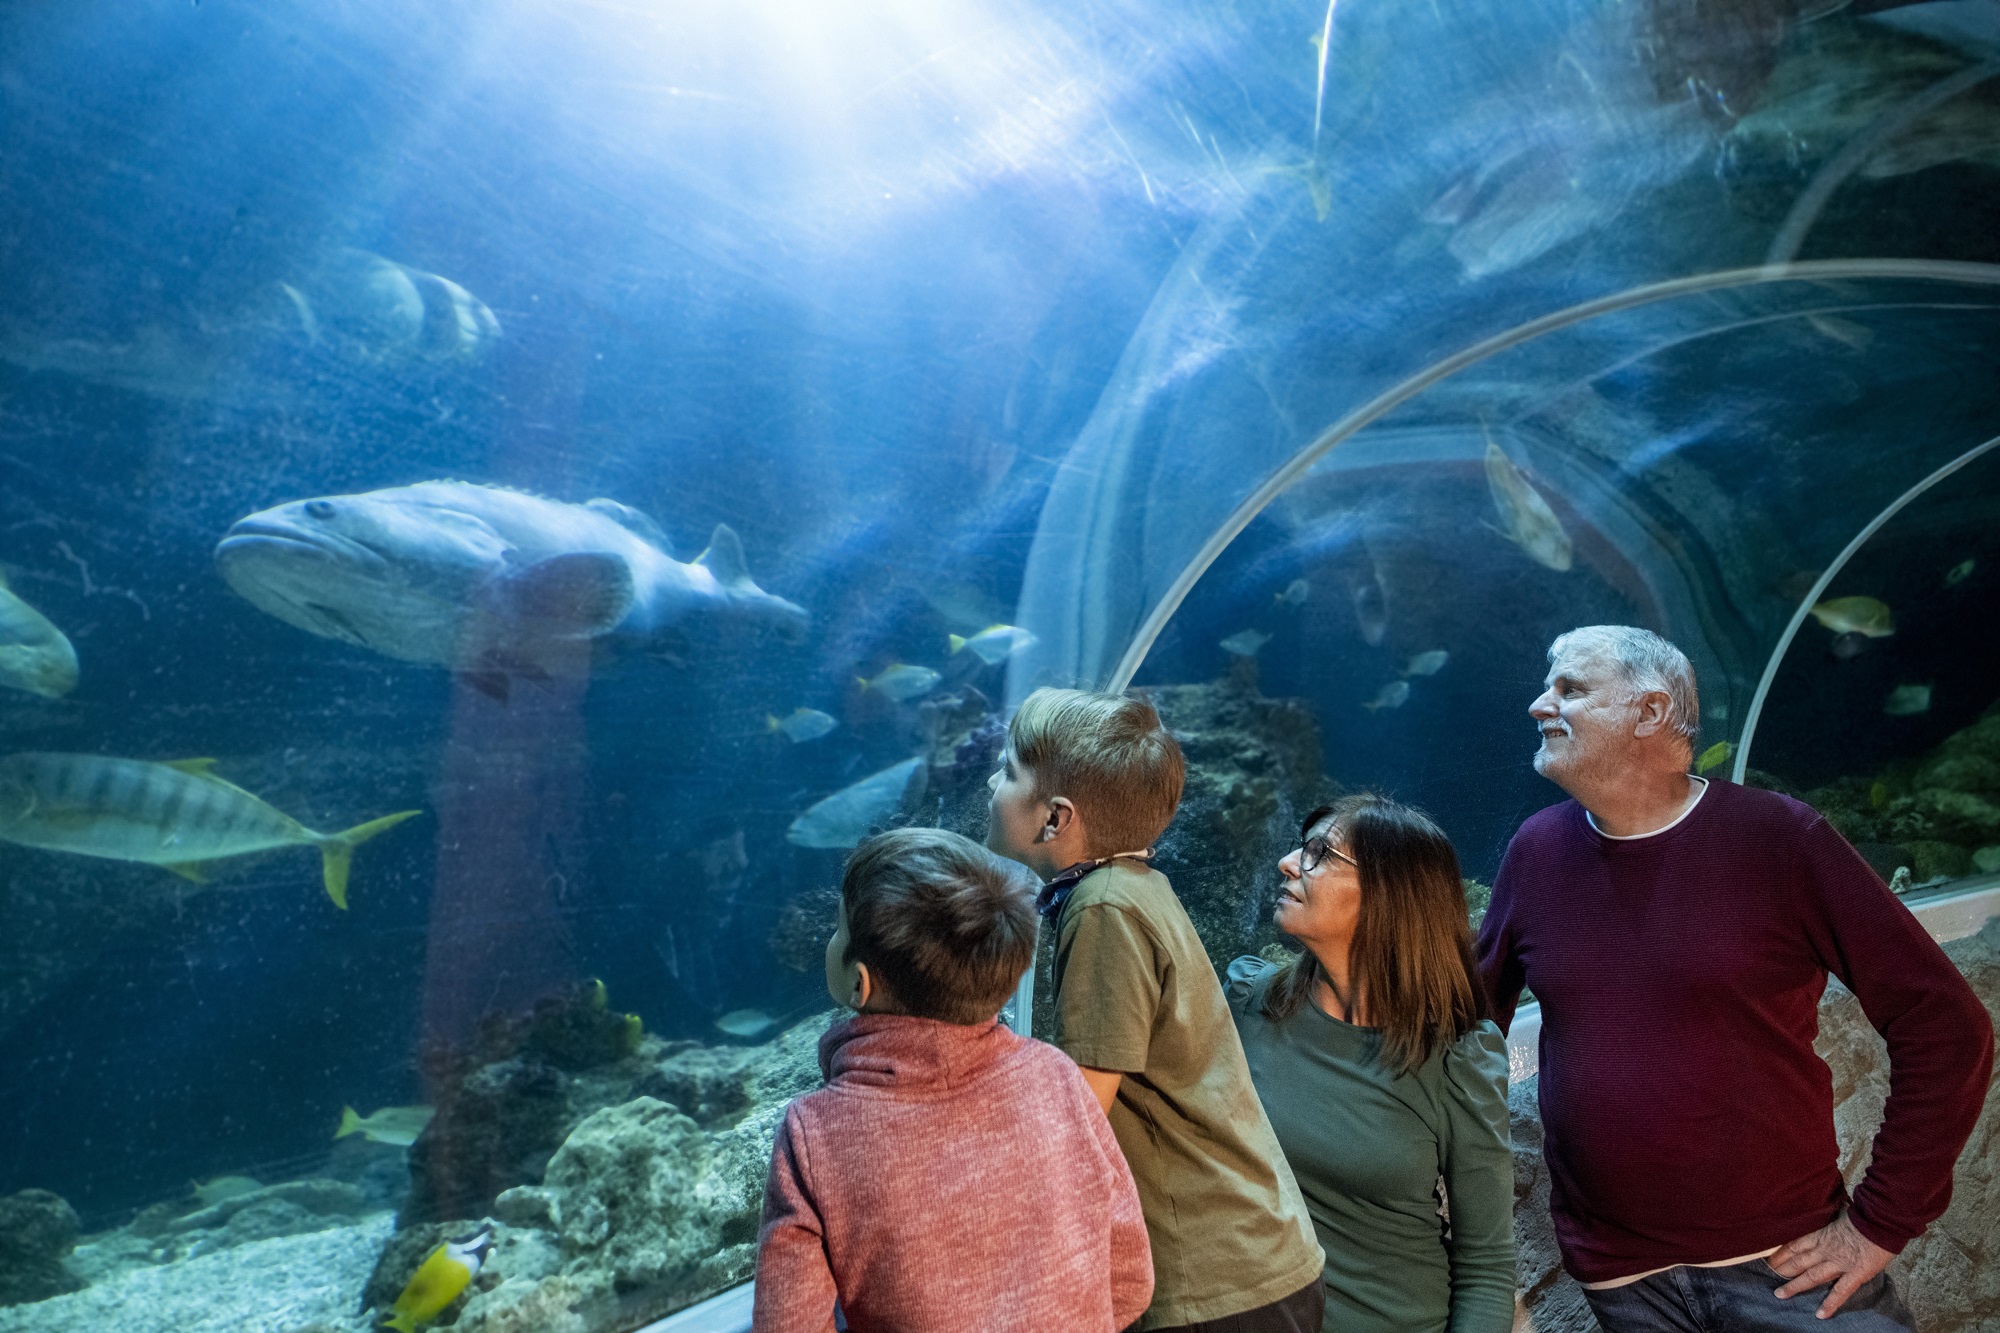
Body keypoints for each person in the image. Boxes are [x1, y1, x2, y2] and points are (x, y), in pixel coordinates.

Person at [1476, 625, 1993, 1333]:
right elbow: (1467, 1030)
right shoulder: (1535, 852)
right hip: (1625, 1282)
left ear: (1650, 712)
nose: (1540, 704)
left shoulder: (1779, 838)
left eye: (1569, 688)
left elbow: (1945, 1025)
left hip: (1789, 1268)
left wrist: (1880, 1224)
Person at [986, 687, 1326, 1332]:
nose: (991, 780)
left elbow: (1086, 1104)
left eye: (1007, 770)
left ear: (1056, 818)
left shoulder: (1103, 909)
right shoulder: (1133, 886)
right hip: (1251, 1257)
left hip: (1213, 1277)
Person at [752, 826, 1153, 1333]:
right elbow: (1131, 1278)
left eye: (837, 928)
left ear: (860, 983)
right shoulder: (1055, 1075)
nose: (830, 940)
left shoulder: (814, 1134)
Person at [1228, 795, 1515, 1333]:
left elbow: (1487, 1268)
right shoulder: (1247, 1001)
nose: (1288, 861)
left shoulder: (1457, 1056)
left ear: (1387, 894)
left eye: (1319, 853)